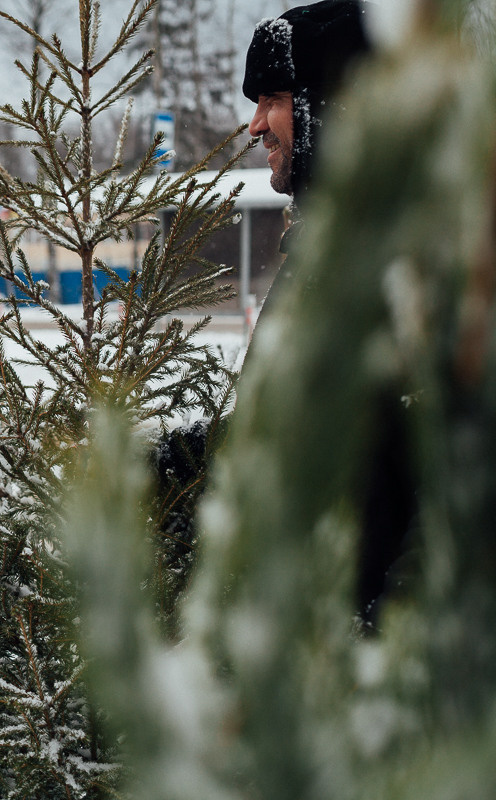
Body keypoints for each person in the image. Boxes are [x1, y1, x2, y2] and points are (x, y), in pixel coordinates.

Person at [243, 0, 414, 629]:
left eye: (272, 98)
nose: (255, 125)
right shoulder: (322, 258)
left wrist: (380, 646)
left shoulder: (421, 262)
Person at [243, 0, 371, 255]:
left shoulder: (381, 255)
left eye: (272, 98)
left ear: (326, 107)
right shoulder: (333, 240)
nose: (254, 126)